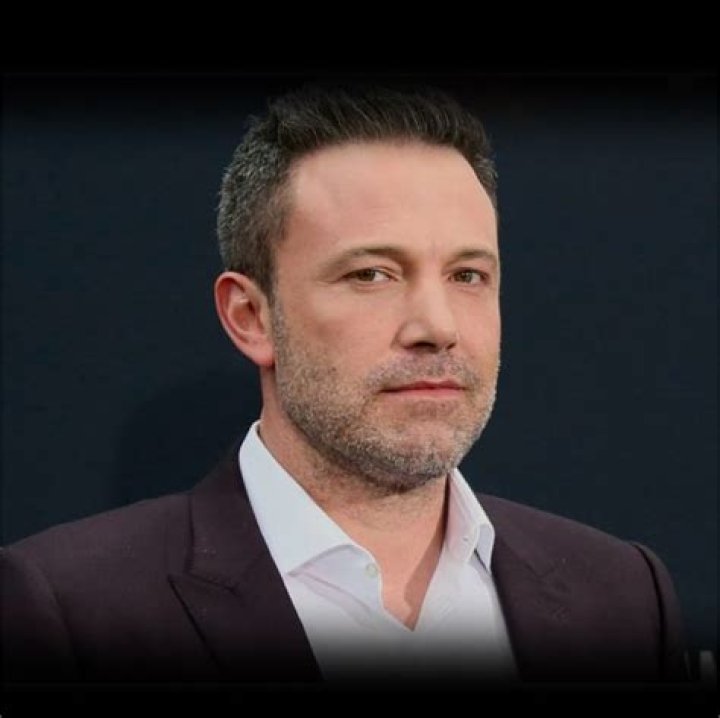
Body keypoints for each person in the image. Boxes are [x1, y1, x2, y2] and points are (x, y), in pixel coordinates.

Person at [1, 83, 689, 692]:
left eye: (468, 276)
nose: (438, 327)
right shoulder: (71, 612)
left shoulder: (625, 596)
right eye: (372, 274)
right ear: (251, 316)